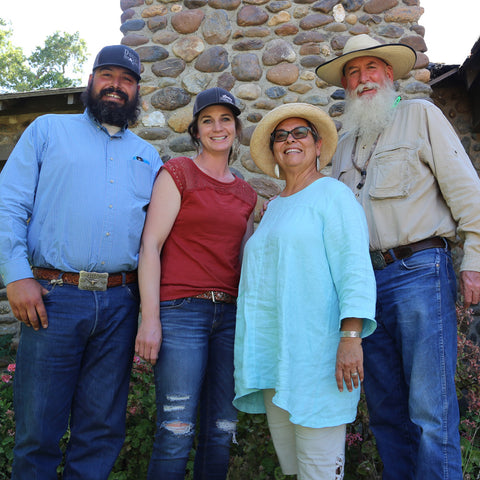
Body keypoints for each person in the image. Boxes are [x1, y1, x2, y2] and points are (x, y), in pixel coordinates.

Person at [316, 34, 480, 479]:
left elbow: (468, 191)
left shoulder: (421, 114)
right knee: (386, 411)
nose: (363, 78)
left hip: (420, 273)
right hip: (366, 287)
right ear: (346, 85)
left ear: (389, 74)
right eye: (353, 71)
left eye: (371, 68)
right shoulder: (344, 145)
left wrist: (474, 261)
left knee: (431, 411)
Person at [0, 45, 163, 480]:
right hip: (53, 299)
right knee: (38, 432)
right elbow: (8, 203)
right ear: (90, 81)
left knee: (101, 431)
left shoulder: (149, 156)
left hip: (119, 305)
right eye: (106, 75)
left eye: (126, 79)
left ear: (137, 91)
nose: (115, 85)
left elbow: (159, 236)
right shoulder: (47, 131)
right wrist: (16, 275)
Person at [233, 103, 377, 479]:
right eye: (281, 136)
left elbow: (355, 269)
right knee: (295, 471)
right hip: (276, 360)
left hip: (317, 360)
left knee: (320, 472)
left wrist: (351, 337)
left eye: (300, 133)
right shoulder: (274, 208)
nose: (290, 140)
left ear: (317, 146)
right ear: (274, 151)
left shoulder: (334, 195)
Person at [134, 87, 257, 480]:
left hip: (230, 317)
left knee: (222, 430)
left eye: (225, 120)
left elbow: (244, 259)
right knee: (176, 429)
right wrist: (149, 319)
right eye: (208, 120)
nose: (217, 127)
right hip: (181, 312)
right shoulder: (178, 174)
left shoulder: (246, 193)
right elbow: (150, 245)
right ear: (196, 131)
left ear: (236, 129)